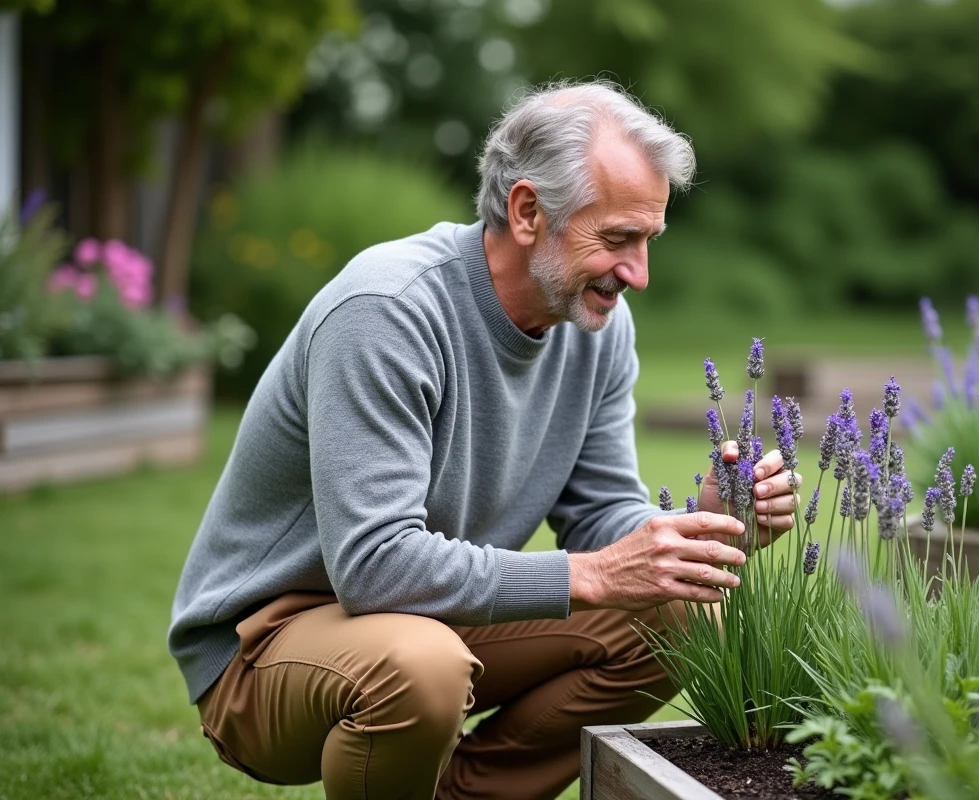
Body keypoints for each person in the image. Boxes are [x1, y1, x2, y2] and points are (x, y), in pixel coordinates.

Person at [167, 79, 799, 800]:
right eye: (617, 238)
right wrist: (588, 575)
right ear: (528, 210)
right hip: (267, 647)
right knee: (421, 667)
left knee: (685, 607)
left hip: (428, 617)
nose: (639, 275)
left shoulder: (595, 327)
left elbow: (601, 517)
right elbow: (374, 565)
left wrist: (705, 524)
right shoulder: (389, 310)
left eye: (648, 240)